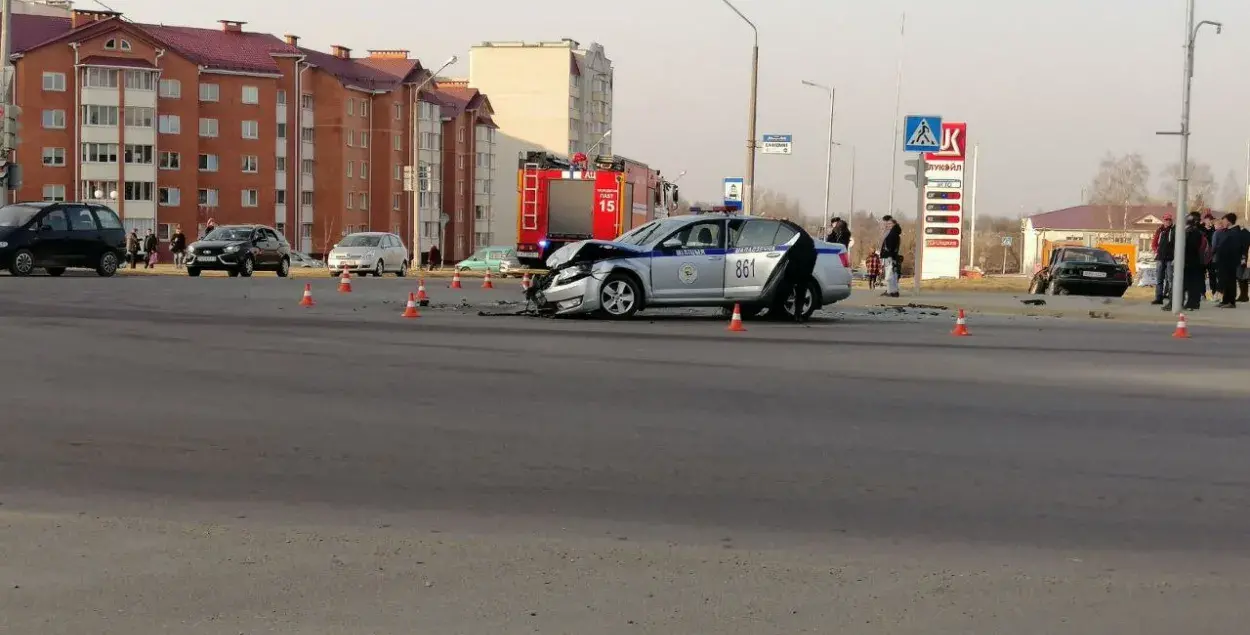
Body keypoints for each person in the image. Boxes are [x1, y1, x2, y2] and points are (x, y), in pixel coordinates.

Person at [1170, 211, 1208, 312]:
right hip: (1186, 261)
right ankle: (1178, 302)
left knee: (1192, 283)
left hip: (1192, 261)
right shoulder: (1186, 231)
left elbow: (1192, 247)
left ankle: (1192, 303)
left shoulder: (1195, 232)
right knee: (1184, 283)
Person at [779, 223, 818, 323]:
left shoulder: (787, 233)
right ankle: (797, 315)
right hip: (806, 264)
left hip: (798, 263)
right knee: (801, 289)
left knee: (787, 286)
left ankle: (779, 311)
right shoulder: (800, 234)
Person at [1213, 213, 1247, 309]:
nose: (1223, 222)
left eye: (1224, 220)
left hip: (1230, 261)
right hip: (1225, 261)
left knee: (1230, 281)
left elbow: (1234, 248)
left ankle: (1231, 302)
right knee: (1225, 281)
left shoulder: (1234, 232)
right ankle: (1225, 300)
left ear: (1228, 221)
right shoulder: (1229, 231)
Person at [1150, 213, 1175, 305]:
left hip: (1170, 258)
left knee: (1170, 278)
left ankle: (1171, 298)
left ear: (1171, 221)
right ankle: (1158, 297)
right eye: (1166, 220)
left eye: (1169, 220)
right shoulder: (1159, 230)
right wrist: (1156, 250)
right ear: (1163, 220)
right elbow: (1154, 243)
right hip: (1160, 257)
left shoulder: (1174, 230)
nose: (1168, 221)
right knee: (1159, 279)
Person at [879, 216, 902, 297]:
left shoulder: (892, 234)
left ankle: (890, 291)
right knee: (893, 274)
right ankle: (894, 291)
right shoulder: (894, 233)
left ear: (894, 224)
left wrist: (889, 255)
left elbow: (890, 246)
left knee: (889, 275)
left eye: (890, 223)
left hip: (889, 256)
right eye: (887, 223)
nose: (888, 225)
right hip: (892, 256)